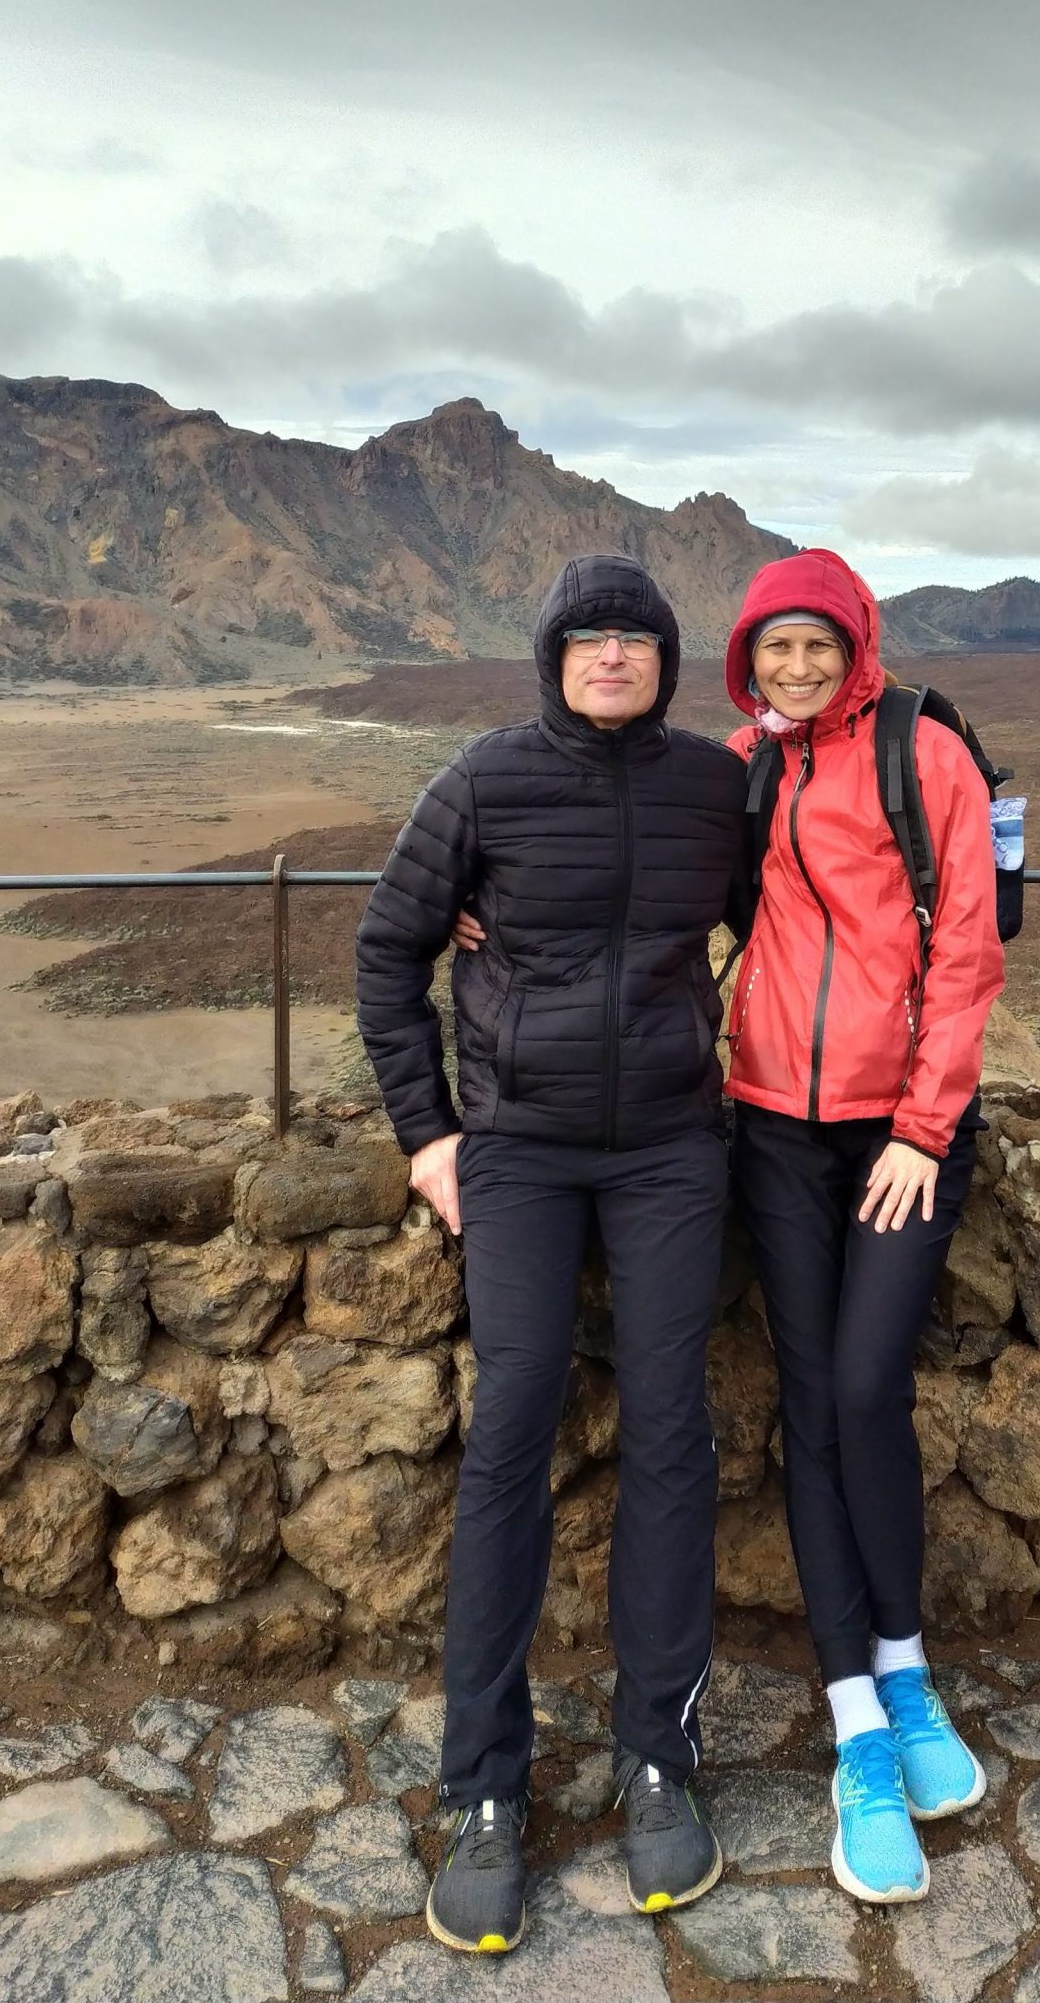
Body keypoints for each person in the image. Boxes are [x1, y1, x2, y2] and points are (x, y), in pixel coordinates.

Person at [356, 553, 746, 1955]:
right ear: (551, 657)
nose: (612, 656)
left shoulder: (713, 789)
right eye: (587, 638)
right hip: (516, 1150)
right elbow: (386, 953)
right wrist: (428, 1135)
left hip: (670, 1152)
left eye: (635, 637)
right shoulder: (483, 780)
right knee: (514, 1421)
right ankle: (483, 1785)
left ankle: (659, 1757)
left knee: (673, 1427)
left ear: (666, 659)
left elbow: (798, 924)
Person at [721, 547, 1006, 1904]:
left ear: (855, 645)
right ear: (747, 659)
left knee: (863, 1386)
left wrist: (923, 1128)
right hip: (774, 1123)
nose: (795, 667)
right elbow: (642, 873)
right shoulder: (745, 765)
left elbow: (969, 953)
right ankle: (859, 1724)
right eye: (772, 648)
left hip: (901, 1131)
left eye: (816, 645)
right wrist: (492, 907)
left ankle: (909, 1668)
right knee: (810, 1398)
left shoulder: (922, 751)